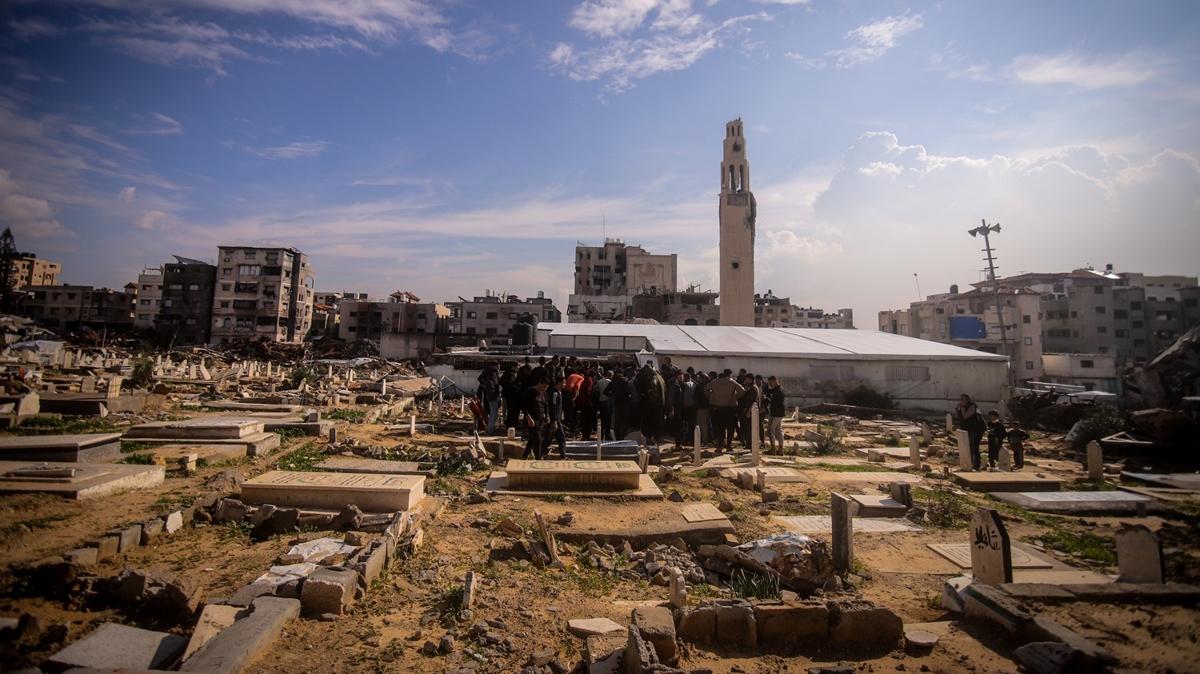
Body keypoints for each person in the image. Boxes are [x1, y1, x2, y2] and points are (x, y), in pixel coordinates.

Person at [704, 369, 744, 451]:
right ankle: (729, 445)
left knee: (719, 428)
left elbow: (705, 389)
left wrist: (711, 397)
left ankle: (720, 445)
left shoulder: (714, 382)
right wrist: (735, 397)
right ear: (729, 374)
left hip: (718, 408)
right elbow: (742, 390)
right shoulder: (732, 382)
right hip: (730, 408)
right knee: (730, 428)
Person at [521, 374, 550, 459]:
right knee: (538, 439)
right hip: (531, 420)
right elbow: (524, 406)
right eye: (543, 386)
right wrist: (528, 418)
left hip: (540, 420)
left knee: (532, 439)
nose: (544, 389)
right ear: (539, 383)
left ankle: (525, 455)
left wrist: (547, 416)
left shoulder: (544, 394)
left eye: (546, 387)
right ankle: (538, 458)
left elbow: (546, 406)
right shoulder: (530, 392)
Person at [635, 363, 666, 445]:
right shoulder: (660, 377)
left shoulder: (653, 377)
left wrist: (648, 392)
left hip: (653, 404)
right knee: (658, 422)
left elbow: (653, 386)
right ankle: (656, 438)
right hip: (660, 403)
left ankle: (652, 440)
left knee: (651, 422)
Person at [954, 394, 986, 470]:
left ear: (967, 399)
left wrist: (962, 407)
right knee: (968, 447)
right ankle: (969, 464)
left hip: (975, 429)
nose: (961, 401)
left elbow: (965, 416)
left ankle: (975, 464)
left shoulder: (972, 406)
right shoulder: (962, 407)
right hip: (966, 429)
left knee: (973, 447)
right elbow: (959, 417)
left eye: (962, 399)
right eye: (960, 399)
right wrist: (957, 409)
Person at [764, 375, 786, 452]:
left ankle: (773, 449)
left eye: (770, 383)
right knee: (779, 430)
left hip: (776, 413)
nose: (770, 384)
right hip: (779, 412)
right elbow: (770, 392)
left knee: (770, 431)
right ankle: (780, 450)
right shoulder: (779, 389)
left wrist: (767, 399)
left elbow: (774, 401)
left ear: (774, 381)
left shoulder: (778, 391)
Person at [738, 373, 760, 449]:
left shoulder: (753, 388)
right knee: (747, 428)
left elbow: (753, 401)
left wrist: (748, 412)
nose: (746, 380)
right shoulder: (750, 387)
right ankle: (749, 444)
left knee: (749, 429)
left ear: (750, 379)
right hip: (749, 411)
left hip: (750, 412)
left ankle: (749, 445)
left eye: (747, 379)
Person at [548, 375, 568, 458]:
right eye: (564, 383)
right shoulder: (554, 393)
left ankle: (540, 454)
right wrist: (554, 420)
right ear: (559, 383)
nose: (565, 384)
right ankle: (563, 456)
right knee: (561, 437)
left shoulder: (559, 392)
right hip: (555, 419)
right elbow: (553, 407)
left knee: (549, 438)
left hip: (557, 419)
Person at [477, 365, 501, 435]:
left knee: (493, 413)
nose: (499, 368)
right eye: (498, 366)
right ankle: (490, 429)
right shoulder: (491, 373)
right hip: (491, 395)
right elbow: (492, 384)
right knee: (492, 413)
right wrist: (487, 387)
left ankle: (490, 428)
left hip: (489, 395)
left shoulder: (493, 373)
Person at [593, 368, 612, 441]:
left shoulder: (599, 381)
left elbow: (595, 390)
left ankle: (601, 435)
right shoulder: (610, 382)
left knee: (602, 420)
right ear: (610, 375)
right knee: (608, 420)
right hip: (607, 402)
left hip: (601, 402)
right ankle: (607, 435)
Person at [693, 371, 711, 444]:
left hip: (701, 407)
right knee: (706, 424)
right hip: (708, 407)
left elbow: (694, 397)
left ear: (701, 378)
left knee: (701, 425)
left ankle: (704, 440)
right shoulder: (709, 385)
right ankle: (707, 439)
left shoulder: (699, 386)